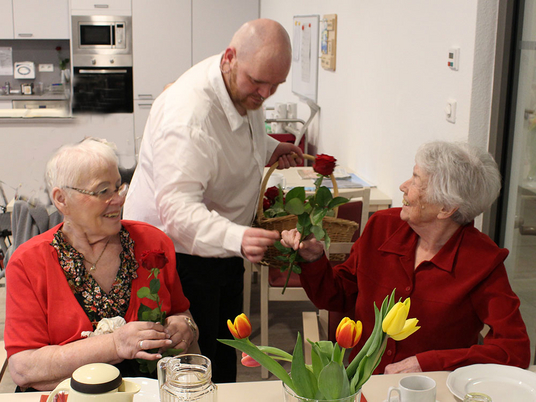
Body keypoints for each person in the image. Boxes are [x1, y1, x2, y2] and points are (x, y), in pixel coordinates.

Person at [123, 18, 303, 382]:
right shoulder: (189, 116)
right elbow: (177, 211)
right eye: (258, 82)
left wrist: (272, 147)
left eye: (276, 86)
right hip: (179, 254)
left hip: (221, 246)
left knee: (226, 348)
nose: (266, 94)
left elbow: (238, 138)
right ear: (230, 58)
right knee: (194, 363)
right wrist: (236, 237)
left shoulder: (242, 84)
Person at [281, 141, 531, 374]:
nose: (403, 186)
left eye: (415, 180)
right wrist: (314, 259)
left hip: (429, 392)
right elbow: (337, 296)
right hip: (364, 383)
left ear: (445, 208)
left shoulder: (482, 261)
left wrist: (428, 364)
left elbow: (514, 351)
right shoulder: (382, 227)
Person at [5, 138, 198, 391]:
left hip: (145, 392)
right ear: (62, 199)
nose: (118, 199)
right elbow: (23, 367)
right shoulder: (28, 262)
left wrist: (185, 328)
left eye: (119, 187)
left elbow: (181, 311)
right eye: (102, 191)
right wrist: (115, 345)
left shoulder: (153, 242)